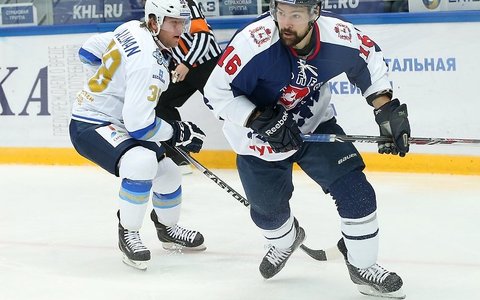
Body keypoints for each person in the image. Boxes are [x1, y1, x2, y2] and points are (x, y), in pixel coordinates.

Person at [203, 0, 409, 298]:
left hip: (315, 126)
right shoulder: (254, 42)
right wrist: (258, 118)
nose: (284, 22)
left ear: (315, 13)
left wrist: (385, 108)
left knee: (357, 192)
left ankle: (364, 267)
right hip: (257, 138)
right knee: (269, 216)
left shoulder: (337, 35)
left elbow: (369, 58)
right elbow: (216, 92)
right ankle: (285, 240)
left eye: (295, 15)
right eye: (280, 12)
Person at [69, 0, 207, 270]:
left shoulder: (132, 27)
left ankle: (167, 229)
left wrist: (114, 80)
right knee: (141, 162)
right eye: (173, 22)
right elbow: (141, 127)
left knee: (168, 172)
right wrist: (179, 131)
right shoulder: (150, 66)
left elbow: (87, 51)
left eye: (182, 22)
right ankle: (128, 233)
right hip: (91, 123)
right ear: (154, 21)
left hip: (118, 120)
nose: (180, 29)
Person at [155, 0, 223, 169]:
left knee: (227, 107)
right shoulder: (157, 8)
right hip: (181, 67)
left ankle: (260, 144)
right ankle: (179, 157)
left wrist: (186, 63)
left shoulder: (188, 4)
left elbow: (204, 37)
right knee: (161, 102)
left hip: (208, 65)